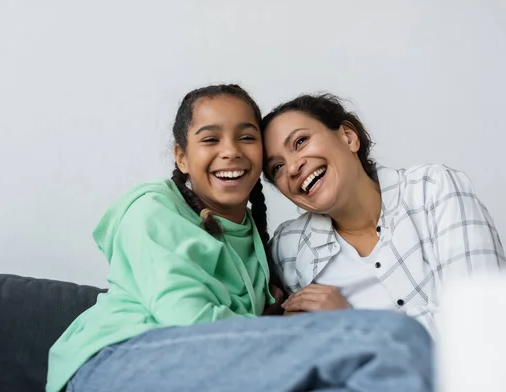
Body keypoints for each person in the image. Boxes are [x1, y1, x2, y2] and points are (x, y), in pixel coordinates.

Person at [46, 85, 434, 392]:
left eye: (246, 138)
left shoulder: (257, 238)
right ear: (181, 157)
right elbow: (189, 324)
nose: (230, 152)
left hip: (201, 370)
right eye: (210, 140)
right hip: (117, 361)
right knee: (391, 337)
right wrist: (303, 330)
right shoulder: (154, 209)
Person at [263, 93, 504, 336]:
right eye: (277, 167)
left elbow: (484, 321)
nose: (292, 168)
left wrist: (354, 324)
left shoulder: (433, 190)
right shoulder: (287, 248)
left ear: (348, 137)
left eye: (301, 141)